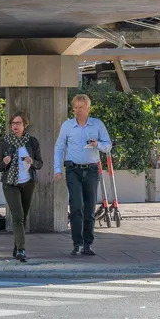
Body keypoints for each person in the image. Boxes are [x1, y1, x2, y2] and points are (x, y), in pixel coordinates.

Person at [54, 93, 112, 257]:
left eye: (81, 107)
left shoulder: (97, 125)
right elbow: (59, 147)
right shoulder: (67, 126)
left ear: (88, 108)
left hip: (92, 170)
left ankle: (88, 244)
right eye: (75, 108)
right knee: (76, 206)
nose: (77, 111)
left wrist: (97, 145)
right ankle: (77, 243)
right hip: (73, 170)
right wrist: (57, 169)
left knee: (89, 207)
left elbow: (108, 146)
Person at [0, 112, 41, 262]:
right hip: (10, 184)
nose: (15, 126)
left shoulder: (32, 142)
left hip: (28, 182)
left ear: (24, 125)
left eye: (18, 123)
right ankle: (21, 249)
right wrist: (4, 162)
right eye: (13, 123)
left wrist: (32, 161)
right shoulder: (4, 143)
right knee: (17, 216)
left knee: (23, 217)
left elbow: (40, 163)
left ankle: (16, 247)